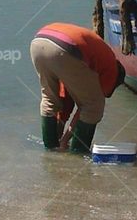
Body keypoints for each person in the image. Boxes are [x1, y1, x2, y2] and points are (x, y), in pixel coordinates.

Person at [30, 23, 126, 153]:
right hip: (67, 47)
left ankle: (50, 149)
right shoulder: (112, 71)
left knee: (50, 99)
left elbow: (66, 102)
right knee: (93, 107)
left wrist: (61, 139)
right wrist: (65, 141)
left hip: (39, 42)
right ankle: (78, 154)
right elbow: (88, 106)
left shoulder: (91, 65)